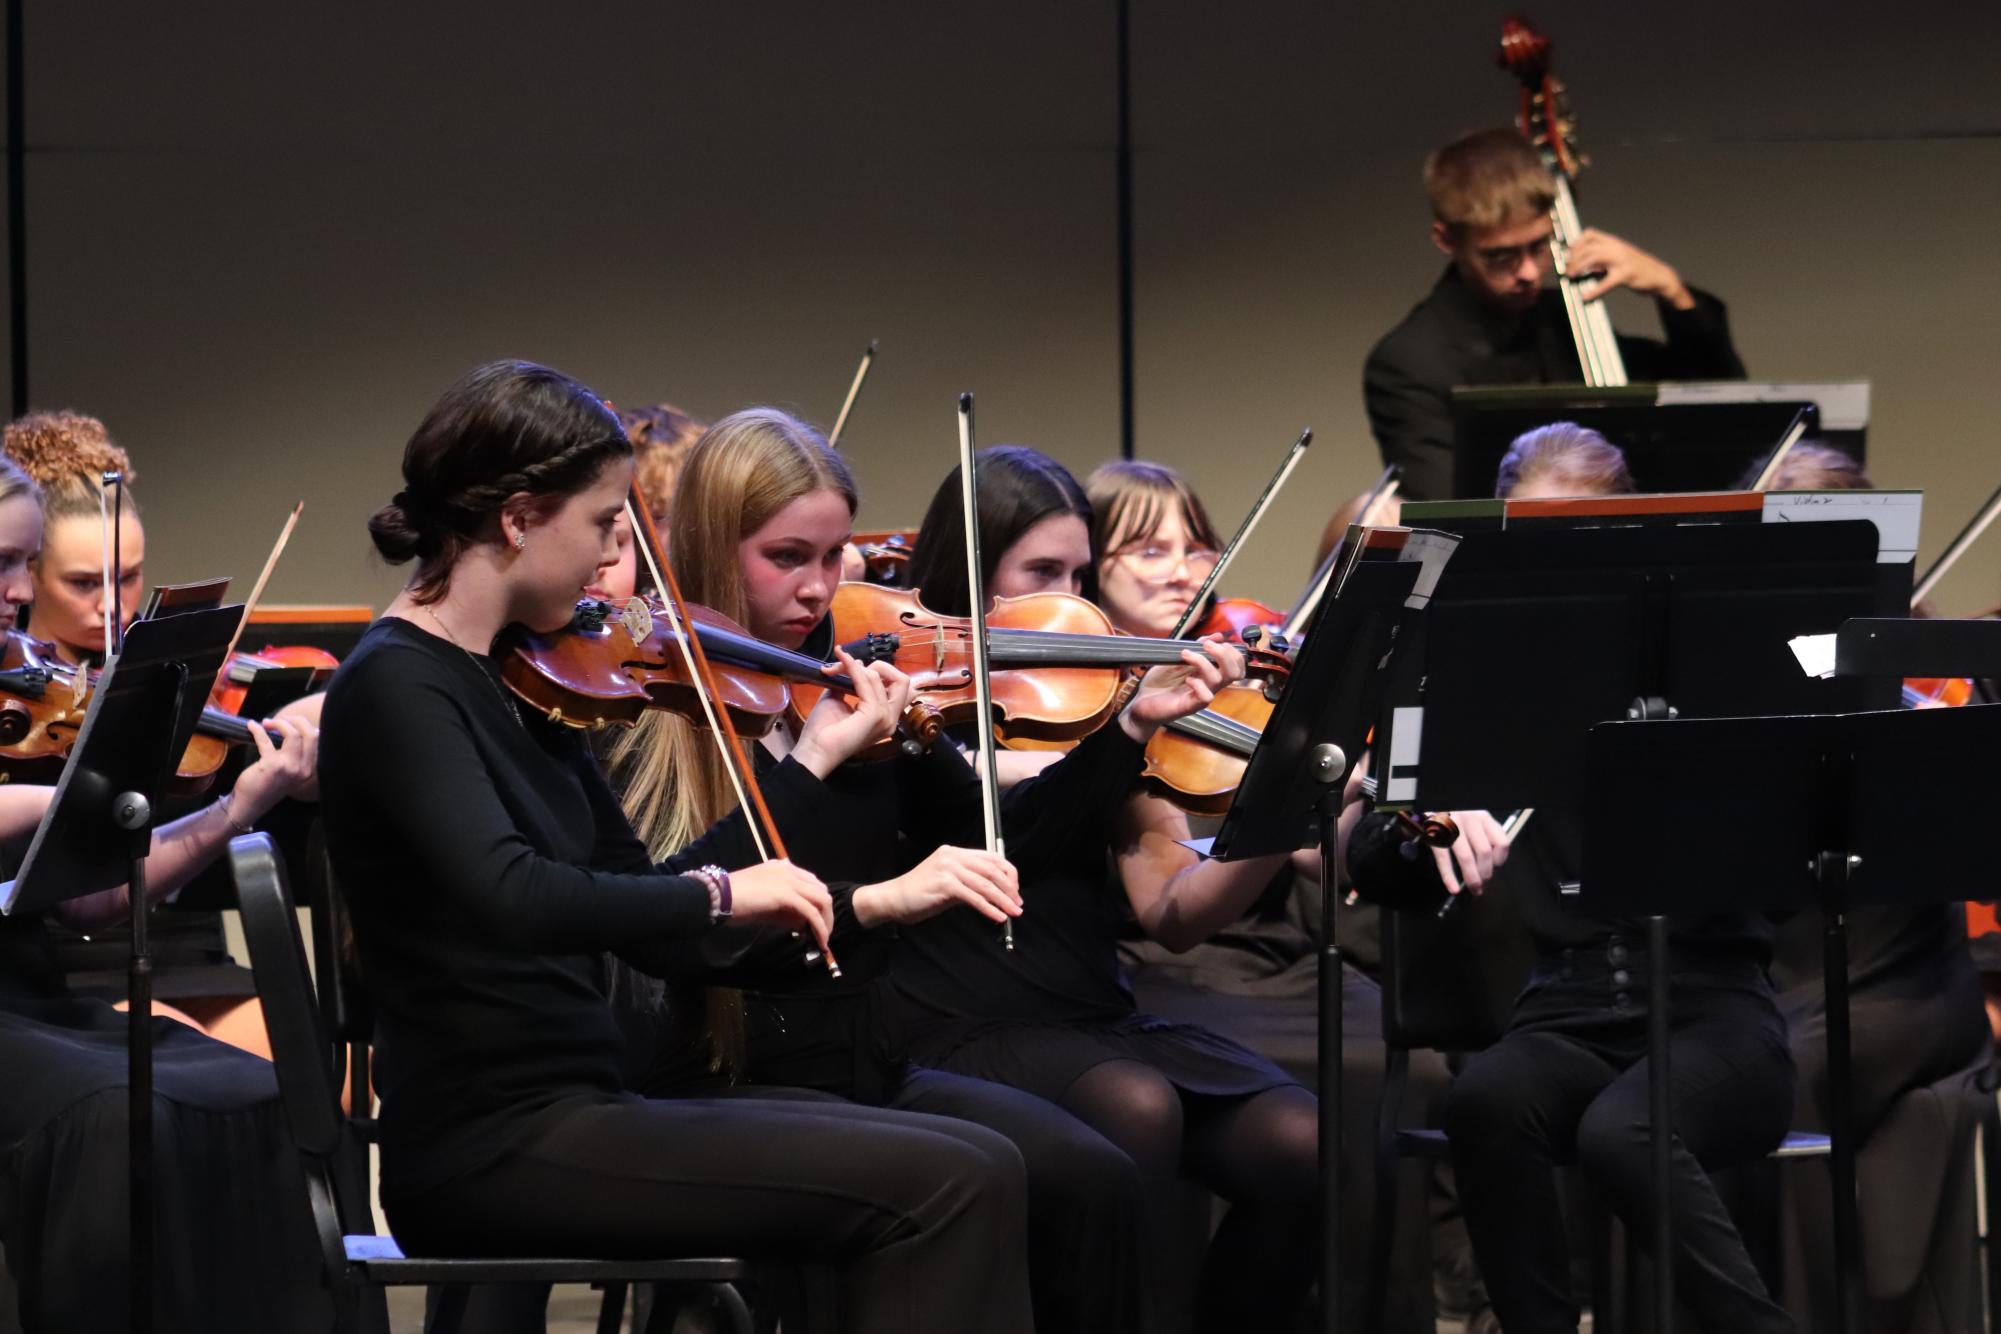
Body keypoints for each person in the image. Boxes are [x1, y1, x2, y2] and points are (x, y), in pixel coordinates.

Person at [316, 360, 1034, 1334]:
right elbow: (515, 892)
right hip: (490, 1140)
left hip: (584, 1107)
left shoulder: (524, 677)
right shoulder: (398, 684)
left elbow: (652, 917)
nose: (620, 548)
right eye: (606, 520)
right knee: (947, 1182)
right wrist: (725, 895)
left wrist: (862, 903)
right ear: (522, 516)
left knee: (986, 1161)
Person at [608, 411, 1234, 1334]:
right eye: (787, 557)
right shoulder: (651, 712)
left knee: (1095, 1175)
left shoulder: (843, 684)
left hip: (860, 1060)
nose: (819, 590)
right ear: (710, 547)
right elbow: (688, 930)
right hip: (724, 1077)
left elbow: (1006, 834)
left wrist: (1128, 732)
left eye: (834, 557)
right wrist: (813, 774)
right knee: (979, 1178)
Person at [889, 447, 1507, 1331]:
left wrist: (1286, 805)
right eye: (1041, 573)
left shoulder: (1105, 713)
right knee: (1132, 1109)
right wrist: (1095, 742)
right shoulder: (908, 703)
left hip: (1083, 1012)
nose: (1066, 600)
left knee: (1310, 1147)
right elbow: (991, 786)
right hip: (955, 1018)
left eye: (1074, 573)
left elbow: (1174, 912)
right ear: (969, 570)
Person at [0, 454, 328, 1332]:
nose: (16, 590)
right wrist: (67, 793)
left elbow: (86, 905)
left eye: (21, 563)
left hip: (31, 1003)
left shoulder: (15, 695)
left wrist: (229, 811)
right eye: (1, 562)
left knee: (248, 1087)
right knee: (113, 1109)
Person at [1366, 126, 1745, 501]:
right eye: (1501, 257)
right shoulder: (1408, 363)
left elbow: (1717, 405)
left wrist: (1671, 290)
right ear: (1446, 239)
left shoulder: (1563, 320)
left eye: (1539, 246)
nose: (1529, 272)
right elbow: (1451, 505)